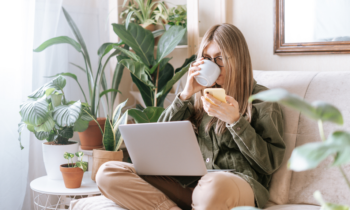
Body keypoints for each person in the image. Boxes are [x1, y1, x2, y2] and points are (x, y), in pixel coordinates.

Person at [96, 23, 285, 210]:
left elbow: (269, 164)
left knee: (214, 185)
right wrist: (185, 95)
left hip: (233, 185)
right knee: (108, 172)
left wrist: (236, 122)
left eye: (219, 58)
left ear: (238, 59)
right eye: (207, 58)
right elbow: (159, 140)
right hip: (190, 184)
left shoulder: (264, 102)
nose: (213, 65)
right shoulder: (197, 101)